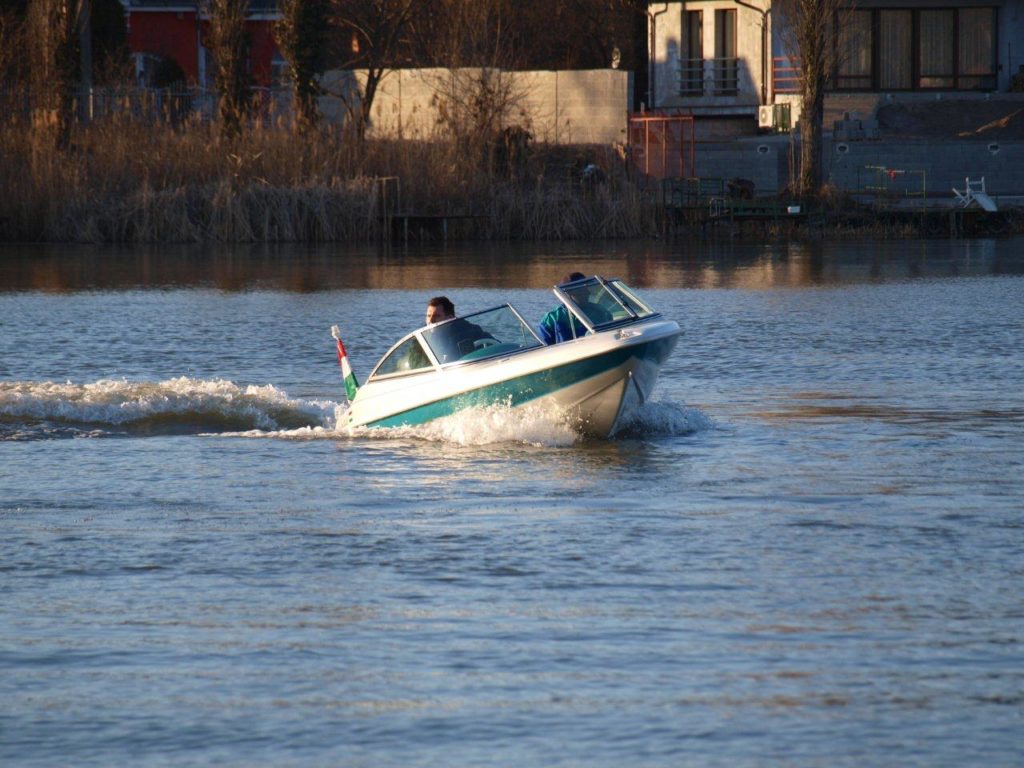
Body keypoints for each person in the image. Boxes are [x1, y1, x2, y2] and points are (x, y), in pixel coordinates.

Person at [424, 295, 494, 363]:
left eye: (437, 316)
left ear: (450, 318)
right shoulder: (425, 338)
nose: (431, 320)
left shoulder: (472, 331)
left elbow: (495, 346)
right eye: (428, 316)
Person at [537, 272, 588, 345]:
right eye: (582, 290)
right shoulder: (551, 319)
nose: (588, 293)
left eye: (586, 288)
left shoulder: (600, 312)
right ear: (568, 293)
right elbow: (545, 348)